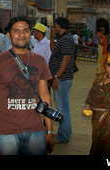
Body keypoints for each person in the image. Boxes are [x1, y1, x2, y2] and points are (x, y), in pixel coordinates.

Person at [0, 15, 55, 155]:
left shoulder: (39, 61)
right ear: (9, 35)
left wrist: (50, 131)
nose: (21, 35)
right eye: (16, 31)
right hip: (5, 133)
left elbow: (45, 97)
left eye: (26, 30)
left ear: (30, 34)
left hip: (35, 131)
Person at [49, 16, 76, 144]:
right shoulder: (63, 38)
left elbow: (66, 59)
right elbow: (54, 51)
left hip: (62, 78)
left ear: (59, 25)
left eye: (55, 25)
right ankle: (66, 131)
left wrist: (56, 76)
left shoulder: (66, 39)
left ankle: (63, 135)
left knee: (62, 108)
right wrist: (51, 36)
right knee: (63, 105)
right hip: (62, 78)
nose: (54, 27)